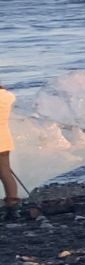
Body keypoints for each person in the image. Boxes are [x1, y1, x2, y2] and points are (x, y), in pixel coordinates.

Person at [0, 81, 24, 222]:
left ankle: (12, 209)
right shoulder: (7, 97)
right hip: (5, 139)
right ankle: (12, 207)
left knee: (4, 173)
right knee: (6, 173)